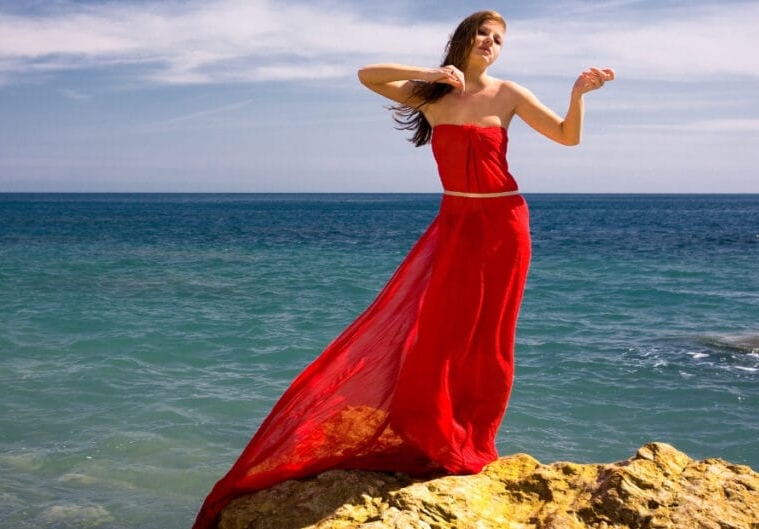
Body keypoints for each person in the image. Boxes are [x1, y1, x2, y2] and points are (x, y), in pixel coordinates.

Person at [192, 10, 613, 529]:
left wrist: (578, 95)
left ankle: (474, 440)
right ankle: (433, 436)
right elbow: (368, 75)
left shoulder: (509, 94)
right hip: (456, 220)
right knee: (437, 332)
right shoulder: (431, 96)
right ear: (464, 38)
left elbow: (568, 138)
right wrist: (434, 74)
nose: (491, 43)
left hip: (505, 223)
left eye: (499, 39)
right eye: (483, 33)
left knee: (490, 337)